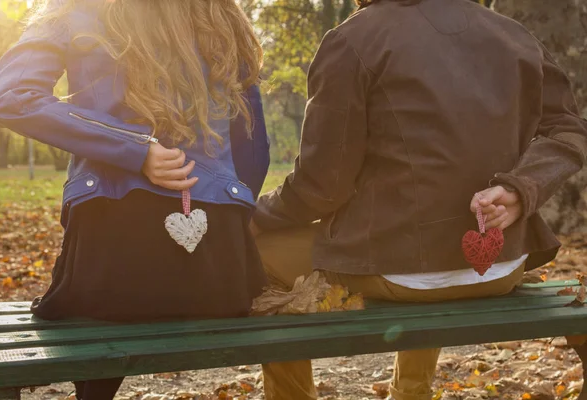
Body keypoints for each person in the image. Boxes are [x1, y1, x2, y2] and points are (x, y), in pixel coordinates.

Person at [250, 0, 587, 399]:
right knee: (417, 245)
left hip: (396, 272)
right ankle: (411, 392)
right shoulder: (513, 35)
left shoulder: (353, 41)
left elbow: (322, 188)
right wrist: (520, 188)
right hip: (498, 267)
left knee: (257, 250)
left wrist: (255, 214)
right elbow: (569, 129)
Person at [0, 1, 269, 399]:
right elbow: (253, 145)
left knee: (100, 304)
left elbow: (11, 96)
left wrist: (134, 150)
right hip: (221, 270)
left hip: (112, 259)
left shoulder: (78, 10)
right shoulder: (218, 12)